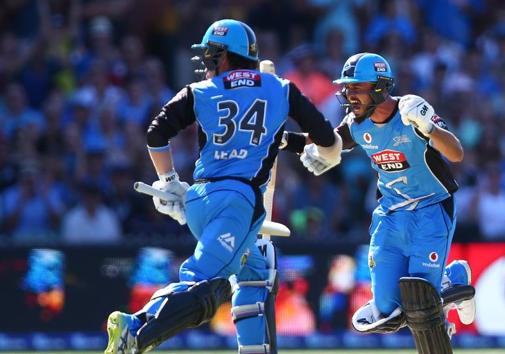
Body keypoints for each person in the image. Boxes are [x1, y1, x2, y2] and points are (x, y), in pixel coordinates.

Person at [104, 19, 342, 354]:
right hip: (239, 203)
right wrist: (326, 154)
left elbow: (156, 133)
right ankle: (138, 328)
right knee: (204, 284)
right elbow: (326, 138)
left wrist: (169, 182)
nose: (206, 63)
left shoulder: (200, 91)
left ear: (227, 57)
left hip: (201, 198)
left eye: (211, 56)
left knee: (257, 275)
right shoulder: (280, 88)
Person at [281, 53, 473, 354]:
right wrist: (279, 140)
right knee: (386, 308)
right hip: (390, 215)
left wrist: (429, 127)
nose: (348, 94)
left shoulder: (411, 111)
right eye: (347, 87)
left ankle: (455, 276)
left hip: (431, 208)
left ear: (380, 87)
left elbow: (457, 153)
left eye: (356, 87)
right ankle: (444, 291)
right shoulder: (356, 125)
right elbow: (321, 142)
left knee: (422, 296)